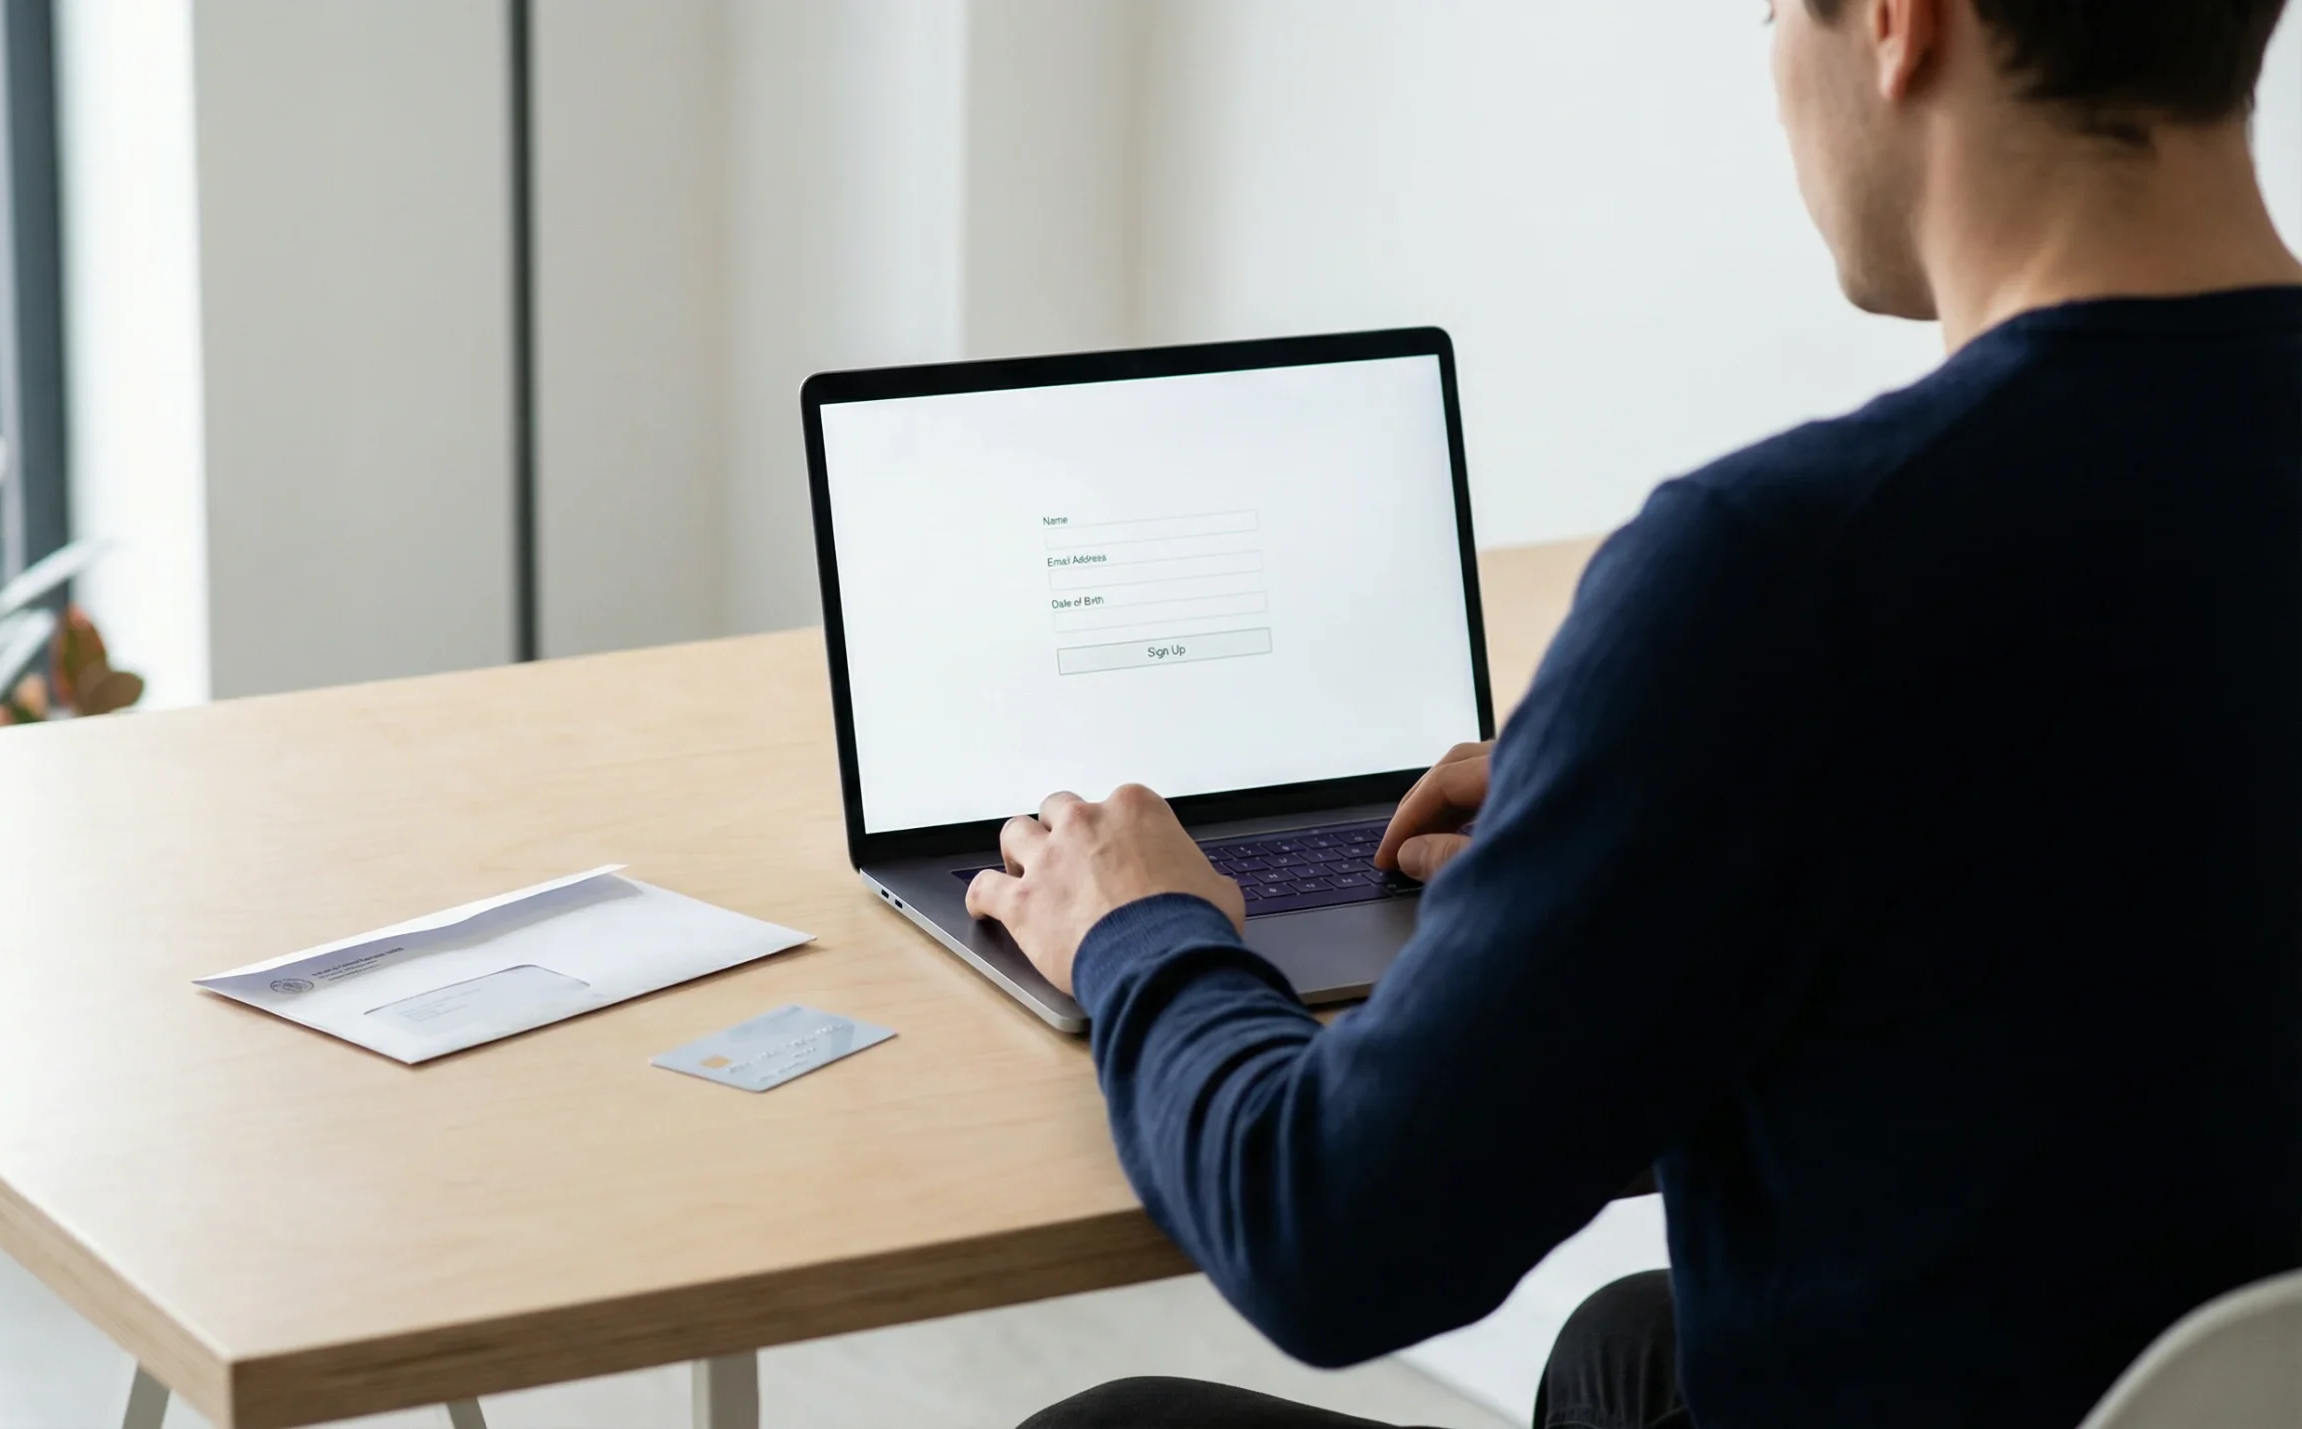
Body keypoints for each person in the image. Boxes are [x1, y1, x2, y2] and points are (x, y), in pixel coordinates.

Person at [973, 2, 2302, 1426]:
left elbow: (1326, 1235)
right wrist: (1620, 828)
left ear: (1902, 27)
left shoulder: (1783, 574)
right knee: (1631, 1345)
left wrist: (1138, 926)